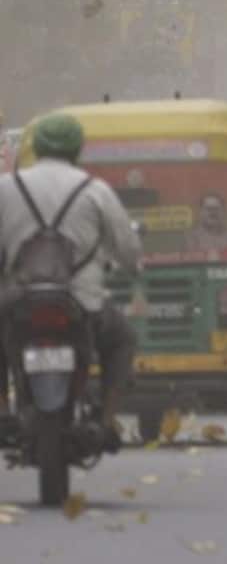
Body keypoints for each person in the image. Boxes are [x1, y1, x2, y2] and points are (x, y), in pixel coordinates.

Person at [0, 114, 141, 449]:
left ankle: (3, 410)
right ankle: (106, 421)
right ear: (78, 149)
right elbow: (127, 249)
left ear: (35, 147)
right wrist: (133, 267)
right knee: (122, 339)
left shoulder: (6, 188)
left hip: (17, 299)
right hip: (82, 302)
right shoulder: (96, 191)